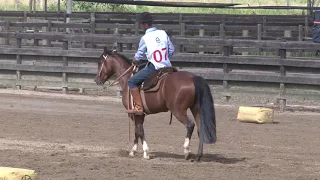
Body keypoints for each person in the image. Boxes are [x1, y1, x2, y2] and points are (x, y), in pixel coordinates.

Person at [126, 12, 175, 115]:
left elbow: (139, 55)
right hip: (167, 66)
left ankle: (139, 107)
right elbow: (171, 50)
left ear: (144, 25)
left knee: (132, 81)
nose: (140, 26)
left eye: (140, 24)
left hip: (154, 67)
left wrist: (134, 60)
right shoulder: (163, 33)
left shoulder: (145, 38)